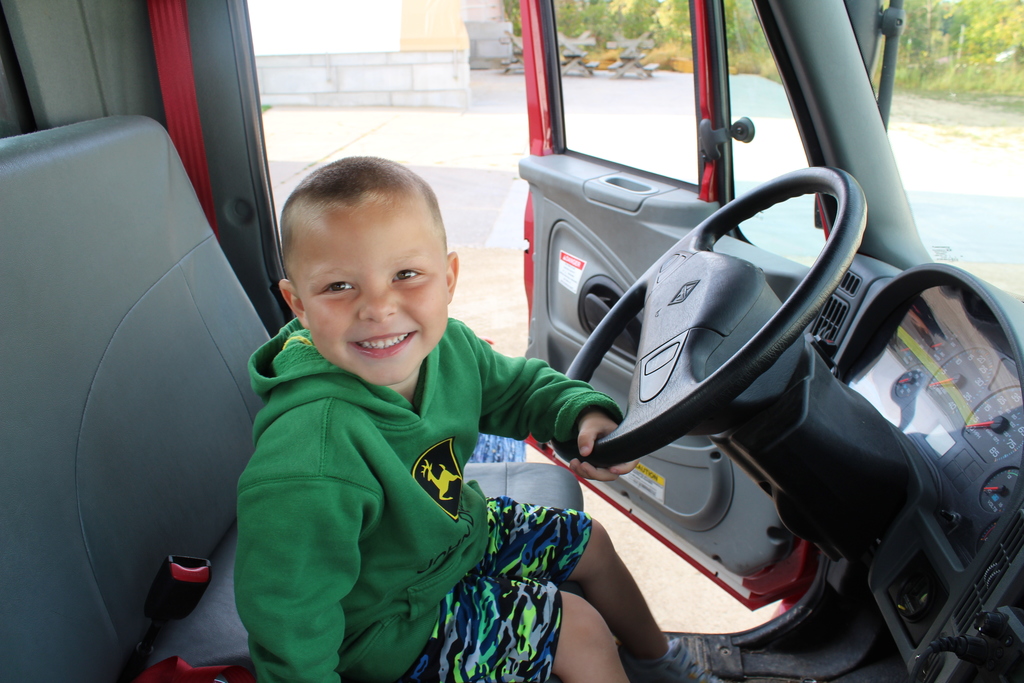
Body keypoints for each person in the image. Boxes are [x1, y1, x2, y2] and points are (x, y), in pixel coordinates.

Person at [234, 156, 721, 683]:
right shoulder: (311, 457)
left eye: (406, 275)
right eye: (338, 287)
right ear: (298, 304)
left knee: (592, 543)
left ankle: (660, 663)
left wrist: (580, 411)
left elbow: (518, 388)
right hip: (385, 628)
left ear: (448, 278)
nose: (378, 307)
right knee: (577, 629)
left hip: (452, 538)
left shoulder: (449, 347)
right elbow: (288, 626)